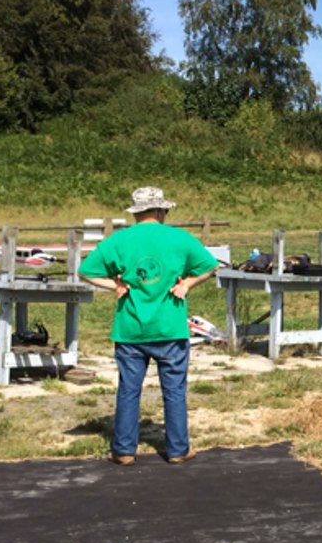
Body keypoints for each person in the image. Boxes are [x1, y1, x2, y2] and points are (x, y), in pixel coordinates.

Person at [79, 187, 220, 465]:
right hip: (170, 327)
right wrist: (187, 283)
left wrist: (115, 285)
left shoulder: (119, 240)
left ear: (136, 212)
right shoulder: (179, 238)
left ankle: (124, 449)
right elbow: (210, 265)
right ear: (160, 210)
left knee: (129, 390)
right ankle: (178, 449)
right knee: (174, 390)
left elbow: (86, 271)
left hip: (130, 328)